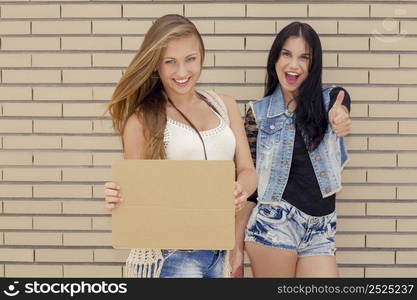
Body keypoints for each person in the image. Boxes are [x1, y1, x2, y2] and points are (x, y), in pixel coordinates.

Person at [103, 14, 257, 278]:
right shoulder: (142, 120)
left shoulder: (224, 105)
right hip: (170, 257)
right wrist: (120, 196)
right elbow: (138, 195)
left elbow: (248, 171)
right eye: (170, 62)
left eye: (190, 59)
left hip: (219, 253)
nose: (182, 72)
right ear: (156, 66)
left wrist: (239, 189)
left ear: (201, 57)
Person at [244, 21, 352, 277]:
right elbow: (250, 184)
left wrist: (341, 117)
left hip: (321, 228)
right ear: (275, 59)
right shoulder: (257, 113)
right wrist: (236, 248)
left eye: (304, 57)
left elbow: (341, 107)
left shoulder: (331, 100)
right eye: (287, 54)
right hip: (273, 223)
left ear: (313, 65)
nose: (294, 65)